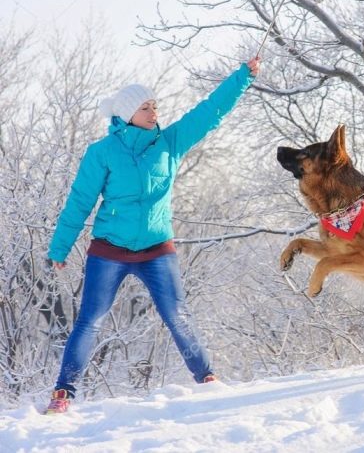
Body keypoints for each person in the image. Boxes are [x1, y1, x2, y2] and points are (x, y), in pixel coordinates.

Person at [45, 57, 260, 414]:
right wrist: (60, 247)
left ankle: (207, 378)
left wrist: (243, 76)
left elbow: (209, 112)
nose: (153, 112)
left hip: (157, 249)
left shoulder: (169, 142)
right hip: (109, 250)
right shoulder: (102, 152)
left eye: (155, 106)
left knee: (178, 315)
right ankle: (63, 392)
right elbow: (80, 201)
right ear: (127, 114)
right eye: (145, 107)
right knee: (90, 320)